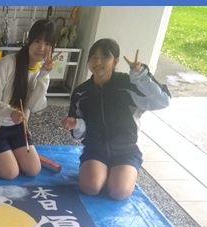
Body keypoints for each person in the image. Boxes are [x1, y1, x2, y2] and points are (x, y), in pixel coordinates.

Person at [62, 39, 170, 201]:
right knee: (90, 188)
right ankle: (101, 171)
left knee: (119, 192)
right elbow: (78, 135)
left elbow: (162, 101)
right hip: (95, 149)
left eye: (105, 57)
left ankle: (119, 174)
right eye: (94, 57)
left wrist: (141, 75)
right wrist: (76, 124)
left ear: (115, 61)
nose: (98, 62)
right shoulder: (81, 93)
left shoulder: (129, 85)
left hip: (126, 150)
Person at [0, 20, 59, 180]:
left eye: (47, 43)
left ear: (53, 47)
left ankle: (7, 151)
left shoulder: (41, 72)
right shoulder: (6, 63)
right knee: (10, 173)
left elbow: (35, 106)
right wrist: (10, 112)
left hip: (17, 127)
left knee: (33, 170)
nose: (41, 48)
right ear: (29, 40)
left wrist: (44, 75)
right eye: (37, 41)